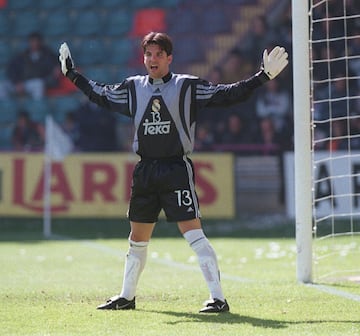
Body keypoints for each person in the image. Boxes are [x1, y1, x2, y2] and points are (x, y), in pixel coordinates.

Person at [58, 32, 288, 313]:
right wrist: (72, 74)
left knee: (193, 234)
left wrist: (262, 77)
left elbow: (226, 95)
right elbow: (101, 95)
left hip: (175, 169)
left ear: (169, 58)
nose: (152, 60)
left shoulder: (186, 86)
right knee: (137, 239)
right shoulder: (133, 88)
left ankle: (218, 299)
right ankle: (126, 297)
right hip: (145, 171)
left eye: (158, 54)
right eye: (148, 54)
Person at [3, 32, 59, 100]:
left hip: (36, 83)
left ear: (40, 42)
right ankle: (5, 107)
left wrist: (55, 70)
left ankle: (37, 107)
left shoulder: (48, 56)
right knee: (2, 86)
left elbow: (56, 67)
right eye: (32, 41)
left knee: (38, 84)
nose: (34, 44)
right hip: (21, 82)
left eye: (36, 41)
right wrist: (16, 82)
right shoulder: (22, 56)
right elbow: (11, 69)